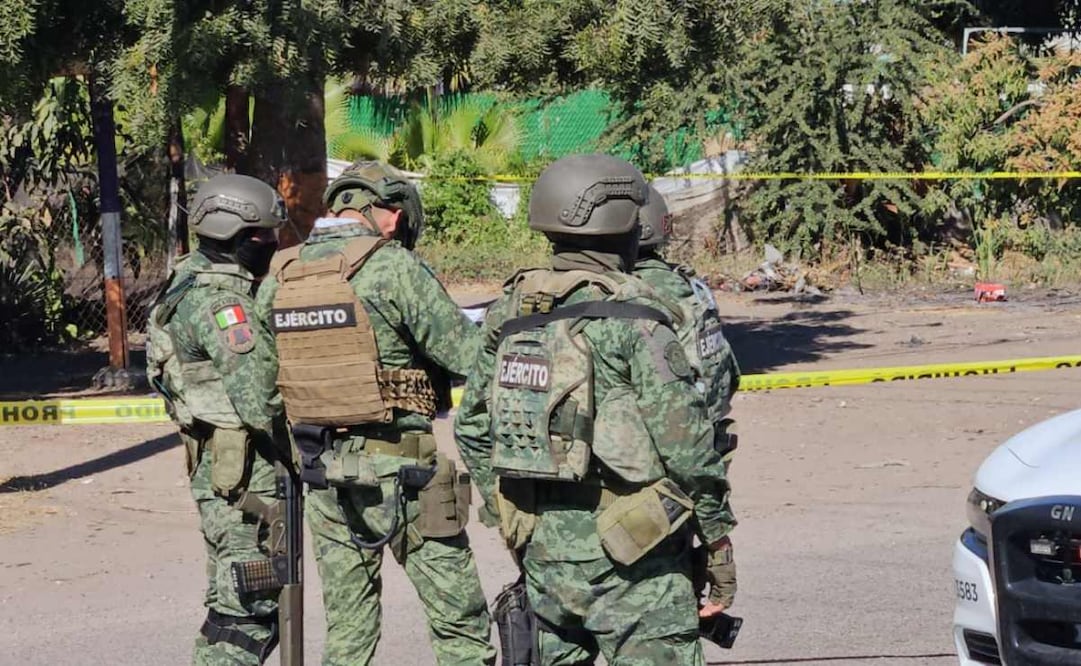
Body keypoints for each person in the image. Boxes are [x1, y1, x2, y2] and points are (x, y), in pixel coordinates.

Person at [453, 153, 738, 665]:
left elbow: (473, 426)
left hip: (545, 559)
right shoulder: (637, 318)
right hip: (636, 560)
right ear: (623, 227)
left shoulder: (511, 311)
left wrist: (512, 521)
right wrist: (717, 543)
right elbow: (688, 448)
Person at [255, 161, 495, 666]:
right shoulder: (392, 266)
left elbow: (261, 389)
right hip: (404, 471)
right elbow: (469, 358)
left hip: (322, 474)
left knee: (349, 626)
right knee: (460, 621)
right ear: (383, 212)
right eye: (398, 215)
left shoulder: (282, 272)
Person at [146, 173, 288, 665]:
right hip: (247, 481)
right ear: (240, 236)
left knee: (229, 606)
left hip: (220, 471)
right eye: (265, 236)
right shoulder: (222, 302)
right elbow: (260, 401)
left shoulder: (187, 279)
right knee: (249, 613)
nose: (272, 244)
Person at [633, 184, 741, 456]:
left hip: (668, 449)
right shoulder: (686, 284)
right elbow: (731, 374)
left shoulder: (635, 291)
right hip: (707, 436)